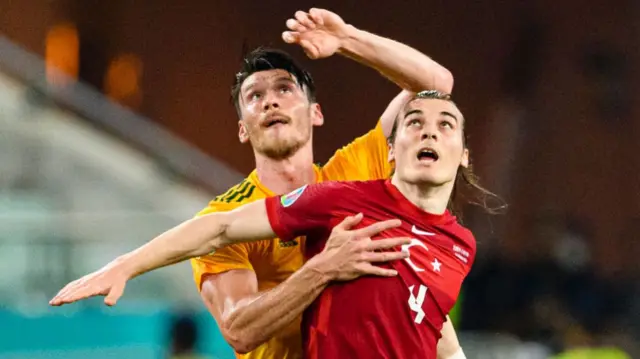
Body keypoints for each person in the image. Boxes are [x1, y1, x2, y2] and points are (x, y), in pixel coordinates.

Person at [50, 90, 492, 359]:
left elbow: (433, 327)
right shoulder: (343, 199)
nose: (429, 132)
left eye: (445, 125)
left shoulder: (460, 244)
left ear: (465, 154)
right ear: (392, 150)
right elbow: (220, 227)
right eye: (414, 123)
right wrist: (127, 265)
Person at [191, 7, 463, 359]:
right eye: (254, 96)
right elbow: (239, 329)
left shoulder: (355, 171)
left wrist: (347, 39)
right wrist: (323, 269)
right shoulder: (226, 215)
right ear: (244, 129)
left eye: (284, 88)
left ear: (316, 113)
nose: (270, 100)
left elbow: (435, 87)